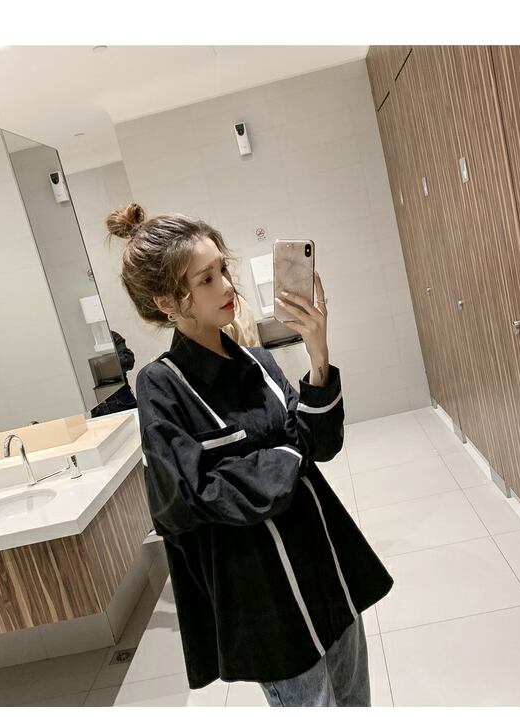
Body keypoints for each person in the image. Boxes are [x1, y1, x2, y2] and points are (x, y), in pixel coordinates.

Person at [105, 203, 394, 706]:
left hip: (327, 568)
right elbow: (189, 497)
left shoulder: (259, 363)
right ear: (167, 301)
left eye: (223, 269)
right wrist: (291, 452)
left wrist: (318, 354)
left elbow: (322, 445)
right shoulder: (162, 386)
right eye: (206, 279)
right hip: (267, 601)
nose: (226, 286)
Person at [89, 330, 138, 417]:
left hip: (121, 399)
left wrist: (98, 365)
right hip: (96, 407)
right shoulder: (75, 343)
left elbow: (127, 361)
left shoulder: (110, 336)